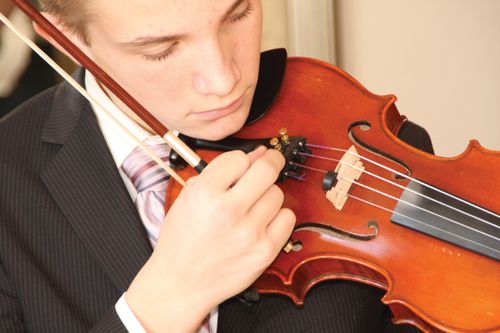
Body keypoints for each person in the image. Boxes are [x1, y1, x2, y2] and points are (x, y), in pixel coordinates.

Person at [0, 0, 432, 332]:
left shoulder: (381, 151)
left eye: (238, 12)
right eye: (161, 49)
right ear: (61, 37)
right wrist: (164, 302)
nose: (225, 80)